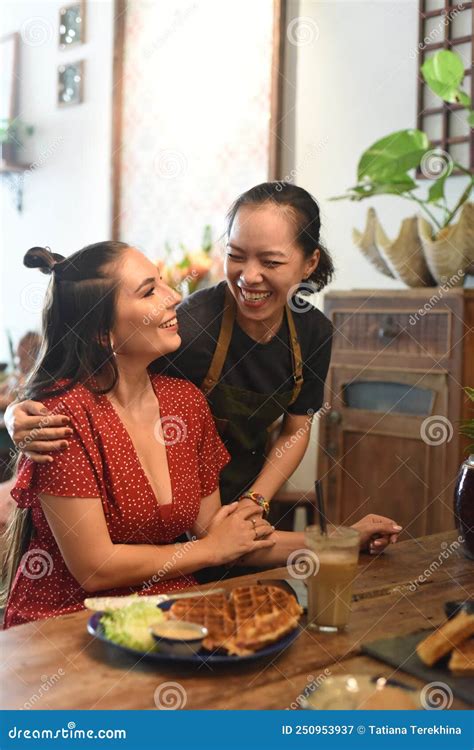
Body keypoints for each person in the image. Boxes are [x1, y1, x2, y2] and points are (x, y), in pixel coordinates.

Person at [2, 242, 401, 628]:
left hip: (169, 617)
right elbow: (95, 568)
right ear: (102, 332)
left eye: (162, 281)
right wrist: (209, 549)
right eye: (149, 291)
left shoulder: (185, 403)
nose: (174, 296)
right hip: (67, 625)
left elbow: (224, 535)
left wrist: (342, 541)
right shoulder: (58, 421)